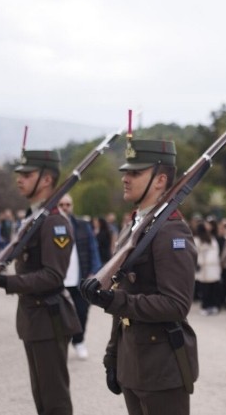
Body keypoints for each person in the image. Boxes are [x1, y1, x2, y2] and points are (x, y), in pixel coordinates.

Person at [80, 139, 198, 415]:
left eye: (135, 173)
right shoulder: (135, 227)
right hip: (132, 362)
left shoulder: (171, 232)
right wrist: (113, 356)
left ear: (160, 180)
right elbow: (123, 296)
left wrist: (113, 300)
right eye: (126, 172)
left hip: (162, 367)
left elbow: (176, 305)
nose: (125, 178)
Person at [0, 149, 81, 415]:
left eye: (27, 174)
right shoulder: (35, 217)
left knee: (54, 401)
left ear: (47, 179)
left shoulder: (55, 222)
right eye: (19, 174)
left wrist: (5, 282)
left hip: (49, 317)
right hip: (35, 318)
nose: (19, 179)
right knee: (42, 399)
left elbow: (52, 276)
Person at [57, 193, 102, 360]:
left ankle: (79, 341)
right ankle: (62, 343)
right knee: (60, 315)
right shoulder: (50, 225)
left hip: (79, 278)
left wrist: (95, 272)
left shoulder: (83, 226)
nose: (65, 207)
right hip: (59, 280)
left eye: (68, 204)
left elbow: (93, 249)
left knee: (81, 312)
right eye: (61, 204)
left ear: (72, 206)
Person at [194, 221, 222, 316]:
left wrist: (199, 262)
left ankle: (205, 307)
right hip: (213, 268)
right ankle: (213, 306)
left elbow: (195, 254)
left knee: (204, 290)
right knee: (213, 288)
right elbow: (217, 252)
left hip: (204, 268)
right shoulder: (212, 239)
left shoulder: (197, 240)